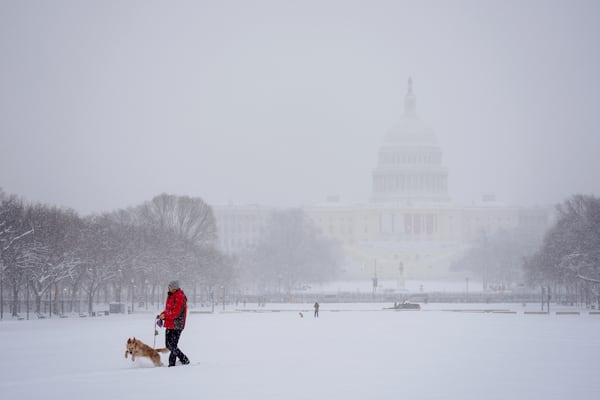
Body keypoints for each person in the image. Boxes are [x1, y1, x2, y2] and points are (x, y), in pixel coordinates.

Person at [158, 280, 190, 367]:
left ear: (175, 288)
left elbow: (176, 313)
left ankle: (176, 362)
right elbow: (169, 309)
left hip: (177, 324)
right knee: (169, 345)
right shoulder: (171, 295)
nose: (168, 288)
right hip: (170, 323)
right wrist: (162, 314)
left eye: (170, 286)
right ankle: (182, 360)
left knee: (172, 345)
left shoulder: (179, 296)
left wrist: (165, 316)